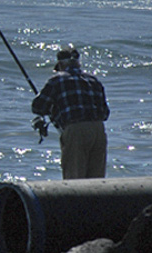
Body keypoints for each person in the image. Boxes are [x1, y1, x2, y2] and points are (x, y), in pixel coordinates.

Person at [31, 46, 109, 179]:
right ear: (78, 63)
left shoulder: (57, 80)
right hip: (99, 130)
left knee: (74, 179)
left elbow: (38, 107)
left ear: (61, 64)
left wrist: (52, 110)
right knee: (97, 181)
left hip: (75, 130)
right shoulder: (94, 80)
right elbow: (105, 113)